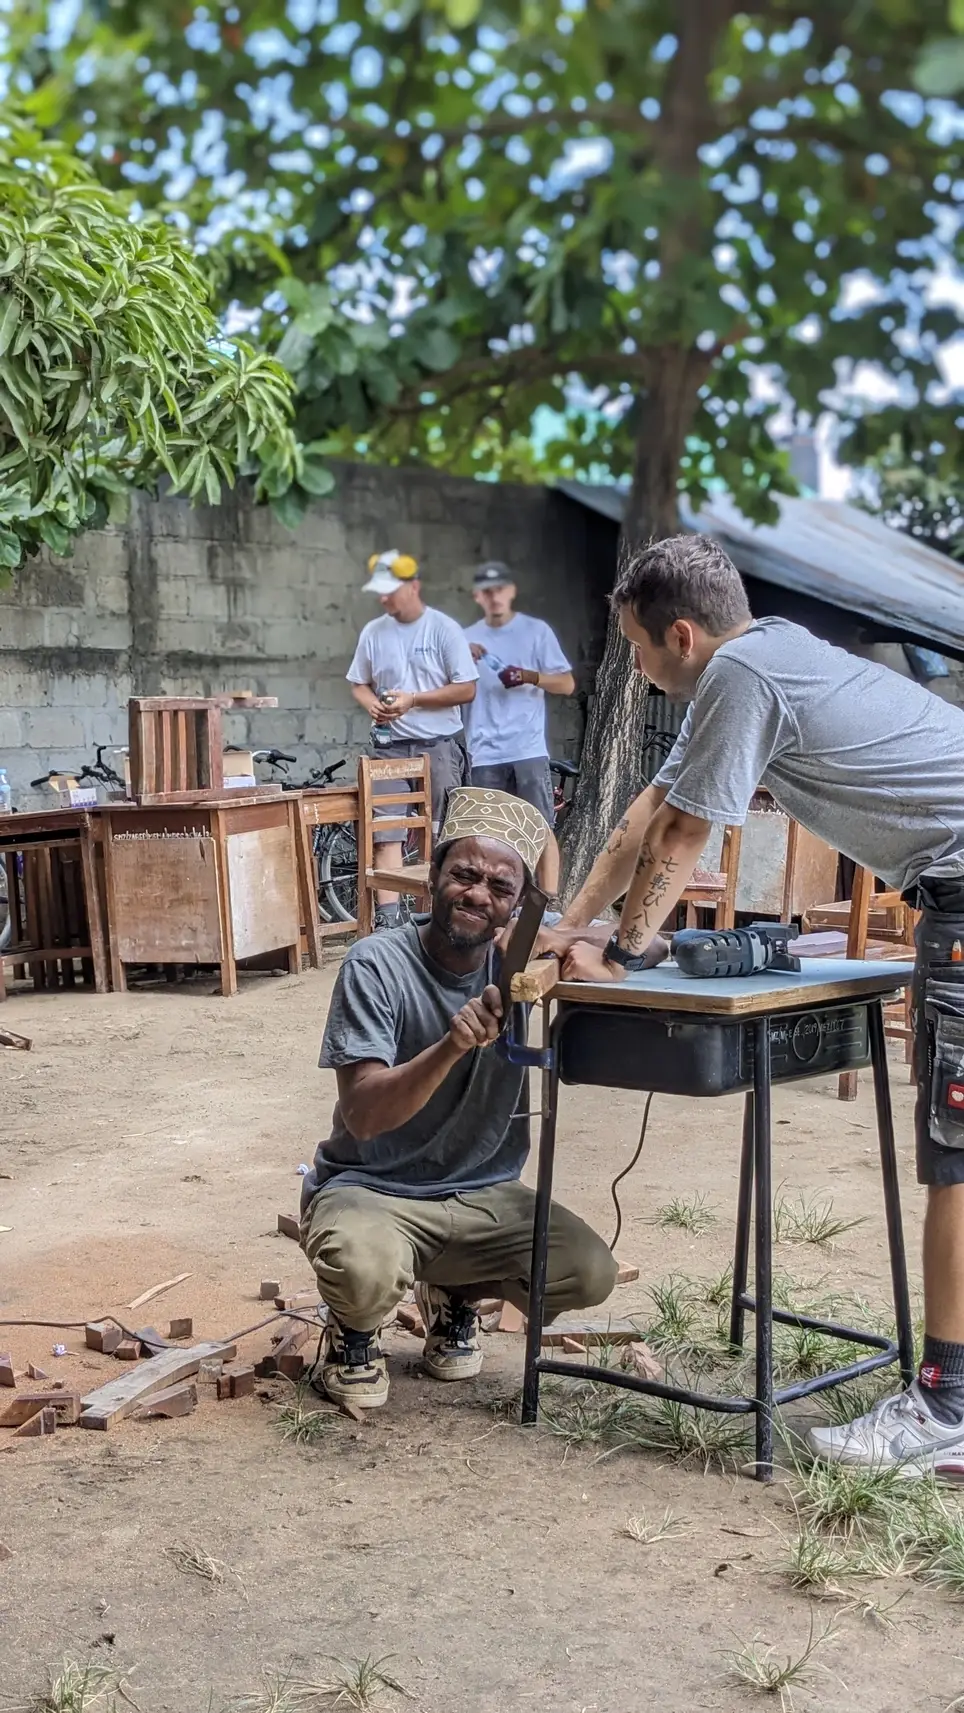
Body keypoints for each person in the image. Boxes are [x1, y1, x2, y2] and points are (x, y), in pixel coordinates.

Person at [540, 532, 964, 1476]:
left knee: (958, 1155)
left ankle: (946, 1408)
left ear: (681, 635)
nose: (641, 675)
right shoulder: (758, 656)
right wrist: (566, 929)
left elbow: (690, 831)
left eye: (640, 654)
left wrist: (625, 948)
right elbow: (645, 817)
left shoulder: (743, 676)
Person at [299, 786, 619, 1409]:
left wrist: (581, 945)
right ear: (431, 878)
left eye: (501, 888)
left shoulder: (519, 961)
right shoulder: (376, 964)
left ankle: (456, 1295)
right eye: (464, 875)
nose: (478, 895)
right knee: (362, 1269)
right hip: (374, 1187)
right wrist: (451, 1045)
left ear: (517, 907)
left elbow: (643, 945)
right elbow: (364, 1114)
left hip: (481, 1192)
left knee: (588, 1272)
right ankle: (354, 1335)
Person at [347, 550, 478, 929]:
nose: (384, 598)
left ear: (414, 586)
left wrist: (414, 700)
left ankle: (434, 915)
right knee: (386, 831)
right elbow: (359, 682)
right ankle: (389, 919)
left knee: (438, 834)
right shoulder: (373, 632)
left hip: (436, 746)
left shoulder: (442, 629)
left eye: (391, 591)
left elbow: (466, 688)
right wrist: (373, 704)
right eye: (380, 592)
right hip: (389, 747)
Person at [463, 561, 575, 827]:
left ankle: (543, 873)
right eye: (487, 591)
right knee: (487, 836)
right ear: (477, 596)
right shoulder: (464, 638)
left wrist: (530, 676)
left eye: (500, 589)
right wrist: (459, 659)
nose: (494, 597)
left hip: (528, 751)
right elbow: (447, 688)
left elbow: (567, 684)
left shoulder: (536, 631)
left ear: (511, 591)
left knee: (539, 832)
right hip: (482, 754)